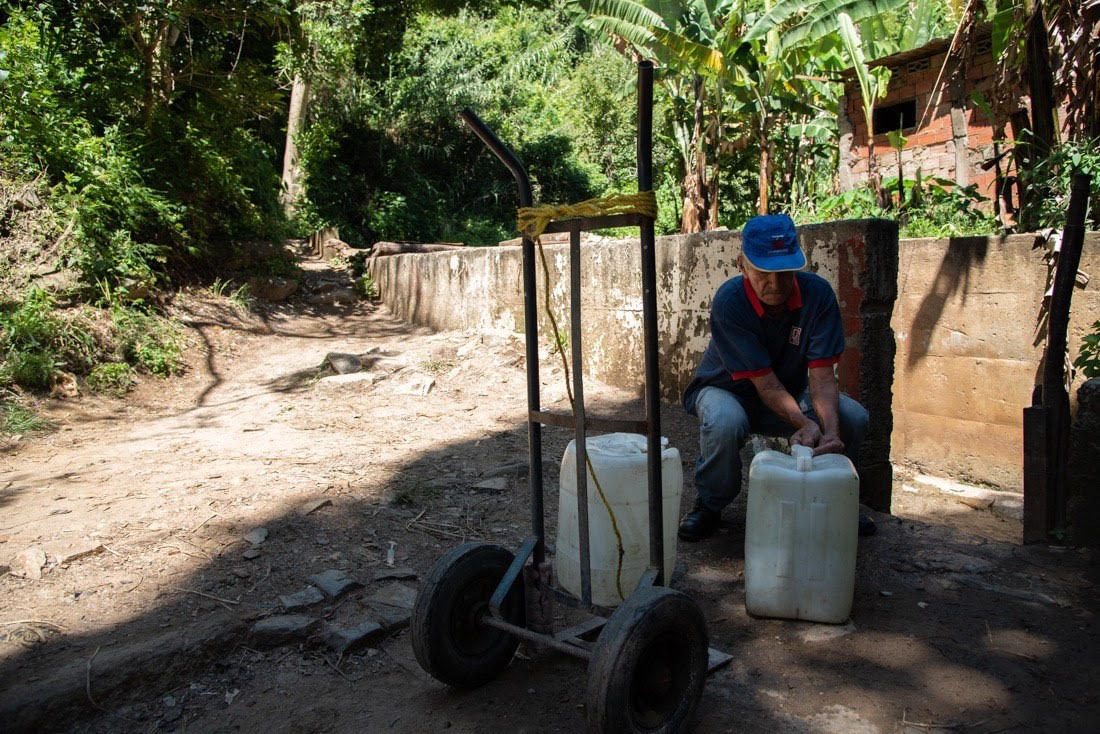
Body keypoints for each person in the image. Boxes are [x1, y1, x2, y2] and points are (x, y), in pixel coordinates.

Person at [677, 213, 872, 542]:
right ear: (743, 266)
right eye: (764, 273)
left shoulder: (819, 296)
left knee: (852, 417)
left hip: (788, 394)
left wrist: (831, 435)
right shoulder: (730, 302)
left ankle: (840, 503)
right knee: (725, 421)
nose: (775, 284)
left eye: (784, 273)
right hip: (726, 390)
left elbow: (823, 378)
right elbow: (765, 384)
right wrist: (805, 423)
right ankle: (710, 505)